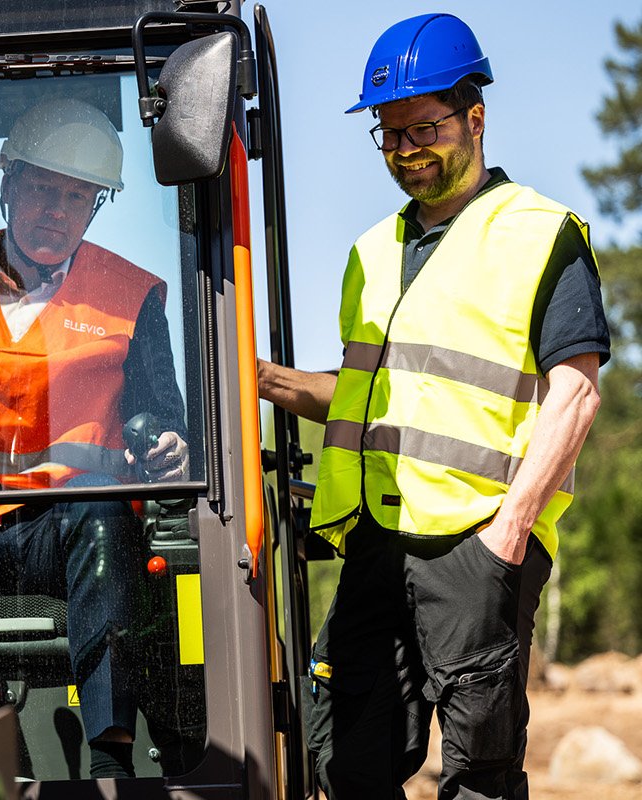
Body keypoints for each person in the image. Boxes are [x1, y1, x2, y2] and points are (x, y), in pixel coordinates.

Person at [258, 14, 609, 799]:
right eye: (389, 135)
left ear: (475, 118)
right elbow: (371, 400)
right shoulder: (371, 254)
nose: (407, 150)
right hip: (377, 542)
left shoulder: (540, 234)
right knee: (344, 755)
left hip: (477, 548)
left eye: (424, 128)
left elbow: (576, 394)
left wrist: (507, 536)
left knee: (478, 772)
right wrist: (266, 380)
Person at [0, 98, 189, 779]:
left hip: (63, 527)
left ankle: (110, 751)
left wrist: (170, 444)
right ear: (8, 183)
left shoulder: (130, 297)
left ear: (97, 208)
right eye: (43, 188)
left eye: (78, 198)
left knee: (105, 516)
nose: (57, 210)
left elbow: (164, 413)